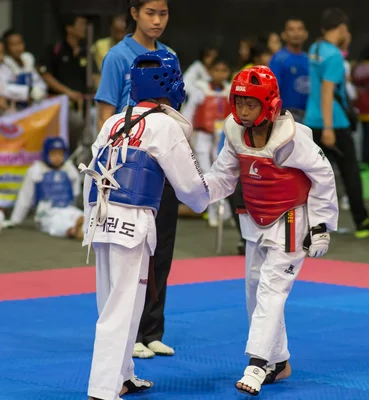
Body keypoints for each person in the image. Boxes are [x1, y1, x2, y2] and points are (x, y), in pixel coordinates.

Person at [80, 49, 210, 400]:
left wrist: (89, 218)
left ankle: (123, 376)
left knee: (113, 302)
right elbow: (191, 189)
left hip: (100, 218)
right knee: (122, 308)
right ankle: (104, 388)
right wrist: (208, 198)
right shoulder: (164, 125)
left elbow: (90, 172)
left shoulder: (114, 121)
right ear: (170, 85)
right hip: (132, 222)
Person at [203, 66, 338, 396]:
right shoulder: (234, 132)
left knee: (271, 290)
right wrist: (191, 189)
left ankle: (258, 362)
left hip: (292, 221)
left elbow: (324, 176)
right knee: (253, 289)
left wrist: (321, 225)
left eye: (252, 104)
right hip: (255, 219)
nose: (245, 111)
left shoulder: (292, 138)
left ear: (270, 105)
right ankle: (279, 362)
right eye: (240, 103)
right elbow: (223, 177)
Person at [94, 0, 178, 359]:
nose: (157, 21)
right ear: (134, 13)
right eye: (150, 13)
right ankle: (129, 336)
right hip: (127, 166)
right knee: (129, 254)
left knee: (161, 249)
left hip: (163, 161)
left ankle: (152, 331)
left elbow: (174, 109)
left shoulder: (171, 55)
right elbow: (105, 116)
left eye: (163, 13)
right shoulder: (117, 57)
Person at [305, 8, 369, 238]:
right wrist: (330, 127)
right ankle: (361, 220)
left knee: (309, 175)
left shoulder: (315, 49)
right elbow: (327, 90)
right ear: (342, 28)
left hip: (312, 120)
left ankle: (304, 223)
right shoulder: (333, 56)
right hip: (334, 122)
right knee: (350, 172)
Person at [181, 57, 232, 227]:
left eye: (223, 70)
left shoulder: (230, 91)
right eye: (216, 70)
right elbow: (188, 113)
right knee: (206, 171)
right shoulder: (200, 90)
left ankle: (226, 213)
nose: (220, 74)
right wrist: (186, 136)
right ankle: (211, 213)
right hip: (203, 136)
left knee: (225, 172)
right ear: (210, 72)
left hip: (223, 137)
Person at [38, 14, 99, 154]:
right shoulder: (55, 49)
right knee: (76, 121)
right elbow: (46, 75)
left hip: (85, 103)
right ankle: (68, 155)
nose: (84, 28)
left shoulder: (87, 51)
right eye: (81, 24)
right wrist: (68, 93)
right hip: (60, 104)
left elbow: (95, 76)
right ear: (69, 28)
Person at [7, 137, 83, 239]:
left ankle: (84, 229)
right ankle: (72, 231)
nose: (57, 157)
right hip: (46, 212)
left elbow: (75, 192)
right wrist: (15, 220)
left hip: (67, 208)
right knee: (56, 223)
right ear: (46, 154)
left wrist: (74, 205)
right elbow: (25, 197)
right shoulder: (36, 170)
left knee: (83, 217)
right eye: (54, 154)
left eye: (60, 154)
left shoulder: (69, 169)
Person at [0, 29, 47, 111]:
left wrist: (37, 91)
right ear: (6, 48)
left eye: (19, 43)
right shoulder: (3, 66)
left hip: (30, 109)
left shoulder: (27, 63)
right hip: (11, 111)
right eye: (13, 45)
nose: (17, 48)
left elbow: (40, 83)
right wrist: (28, 92)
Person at [268, 17, 310, 121]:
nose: (296, 33)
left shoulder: (309, 59)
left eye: (300, 29)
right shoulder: (278, 59)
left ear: (306, 34)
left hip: (309, 115)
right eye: (291, 29)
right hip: (286, 115)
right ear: (284, 35)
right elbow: (272, 92)